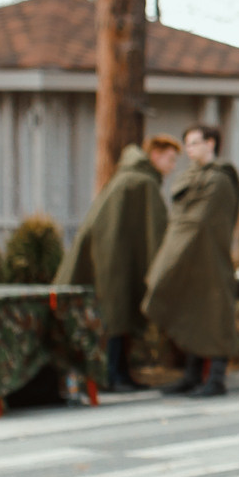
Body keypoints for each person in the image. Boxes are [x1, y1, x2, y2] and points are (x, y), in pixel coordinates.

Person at [59, 134, 180, 393]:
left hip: (110, 258)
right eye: (170, 159)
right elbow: (155, 231)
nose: (172, 166)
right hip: (113, 261)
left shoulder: (130, 177)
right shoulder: (142, 182)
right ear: (155, 155)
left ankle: (120, 373)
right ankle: (113, 375)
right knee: (115, 315)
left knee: (116, 315)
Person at [144, 124, 239, 399]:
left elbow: (202, 221)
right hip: (189, 258)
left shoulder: (221, 179)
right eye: (187, 144)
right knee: (193, 316)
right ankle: (191, 375)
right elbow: (180, 220)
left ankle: (216, 378)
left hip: (211, 259)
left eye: (195, 143)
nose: (189, 150)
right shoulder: (189, 177)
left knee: (215, 316)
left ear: (211, 143)